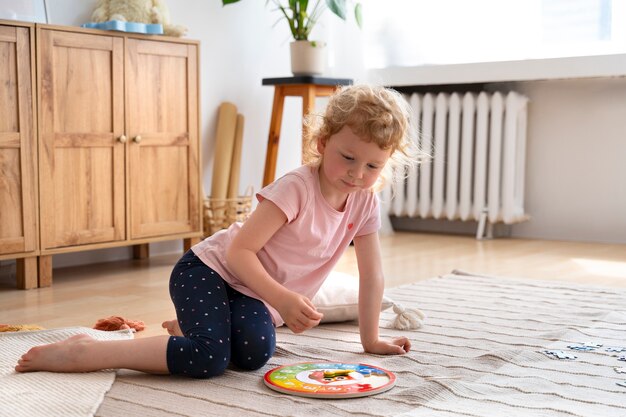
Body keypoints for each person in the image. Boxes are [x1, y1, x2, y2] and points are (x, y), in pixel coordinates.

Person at [15, 84, 422, 378]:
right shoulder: (296, 188)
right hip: (210, 270)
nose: (357, 173)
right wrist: (281, 296)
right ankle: (90, 352)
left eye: (373, 166)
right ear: (321, 143)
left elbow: (373, 276)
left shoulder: (365, 202)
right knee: (207, 359)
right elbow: (238, 253)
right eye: (348, 157)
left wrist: (370, 341)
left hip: (250, 291)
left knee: (252, 355)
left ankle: (190, 327)